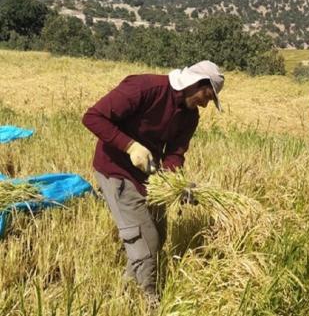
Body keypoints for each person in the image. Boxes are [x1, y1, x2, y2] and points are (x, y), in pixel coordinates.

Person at [81, 61, 224, 308]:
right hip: (116, 170)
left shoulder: (190, 116)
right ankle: (146, 300)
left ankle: (127, 289)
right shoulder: (144, 88)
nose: (205, 104)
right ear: (196, 83)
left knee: (158, 233)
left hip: (149, 176)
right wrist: (130, 146)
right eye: (207, 96)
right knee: (146, 240)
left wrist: (171, 181)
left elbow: (176, 152)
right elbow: (93, 117)